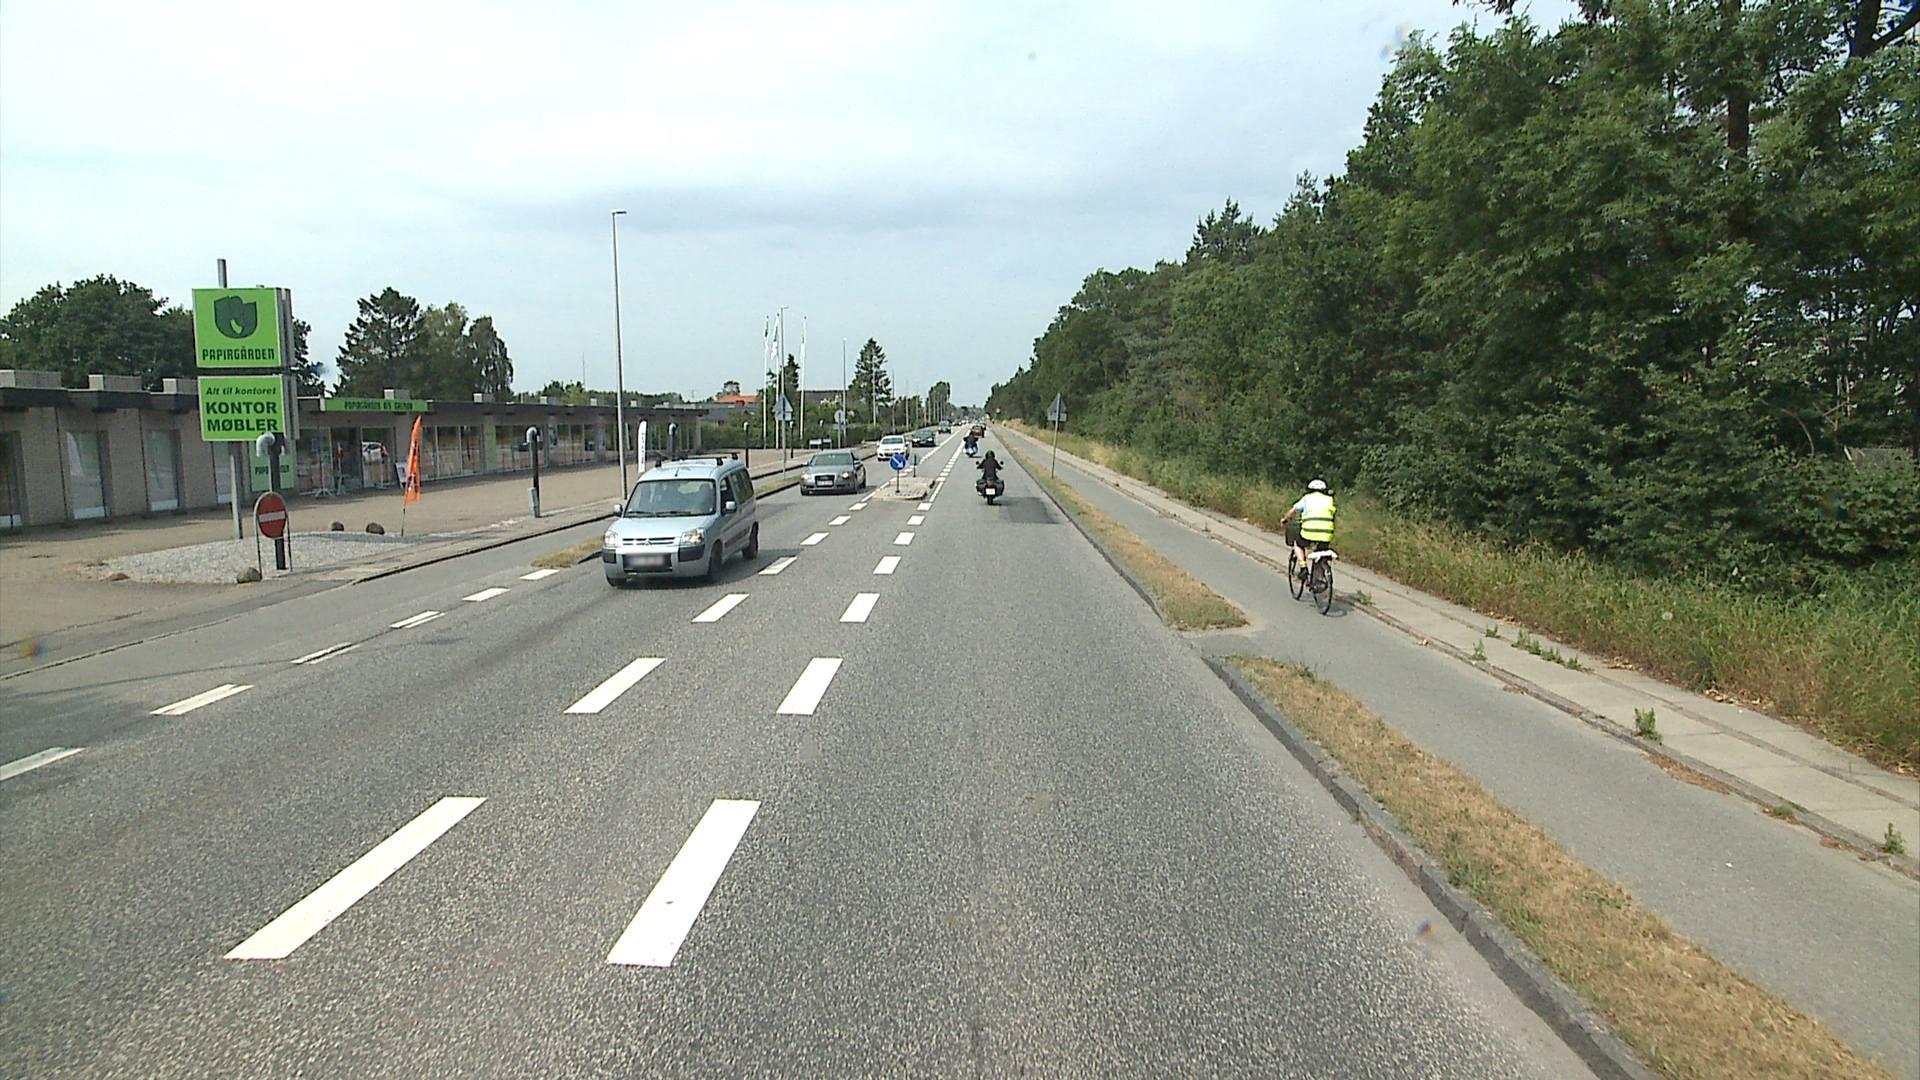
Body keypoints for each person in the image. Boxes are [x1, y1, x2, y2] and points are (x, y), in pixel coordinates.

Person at [1280, 478, 1336, 580]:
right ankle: (1320, 577)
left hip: (1309, 532)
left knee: (1298, 544)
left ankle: (1303, 567)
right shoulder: (1330, 500)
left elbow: (1293, 510)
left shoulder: (1306, 498)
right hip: (1326, 534)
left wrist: (1284, 519)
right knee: (1321, 550)